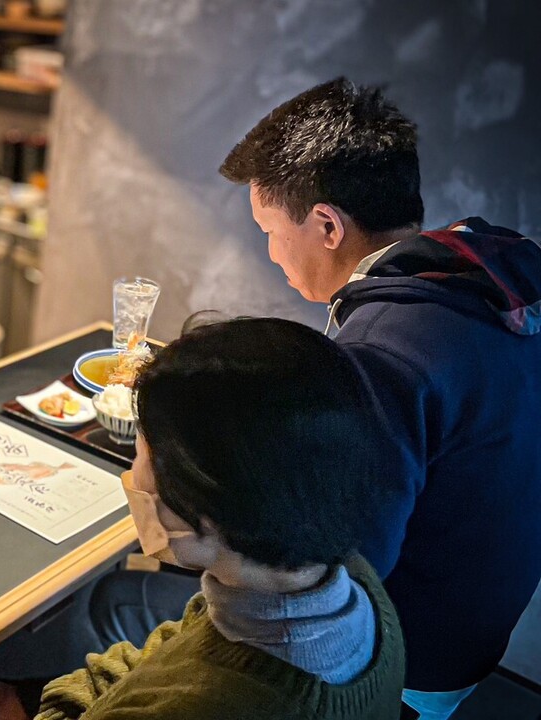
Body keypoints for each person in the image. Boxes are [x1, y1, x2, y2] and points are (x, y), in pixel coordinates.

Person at [220, 77, 541, 718]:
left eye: (269, 230)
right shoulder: (482, 278)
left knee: (132, 615)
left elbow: (341, 564)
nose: (271, 253)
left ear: (327, 224)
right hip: (477, 626)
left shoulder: (381, 350)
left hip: (406, 663)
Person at [34, 318, 404, 720]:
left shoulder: (207, 705)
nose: (134, 475)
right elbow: (180, 648)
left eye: (141, 456)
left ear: (202, 503)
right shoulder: (350, 580)